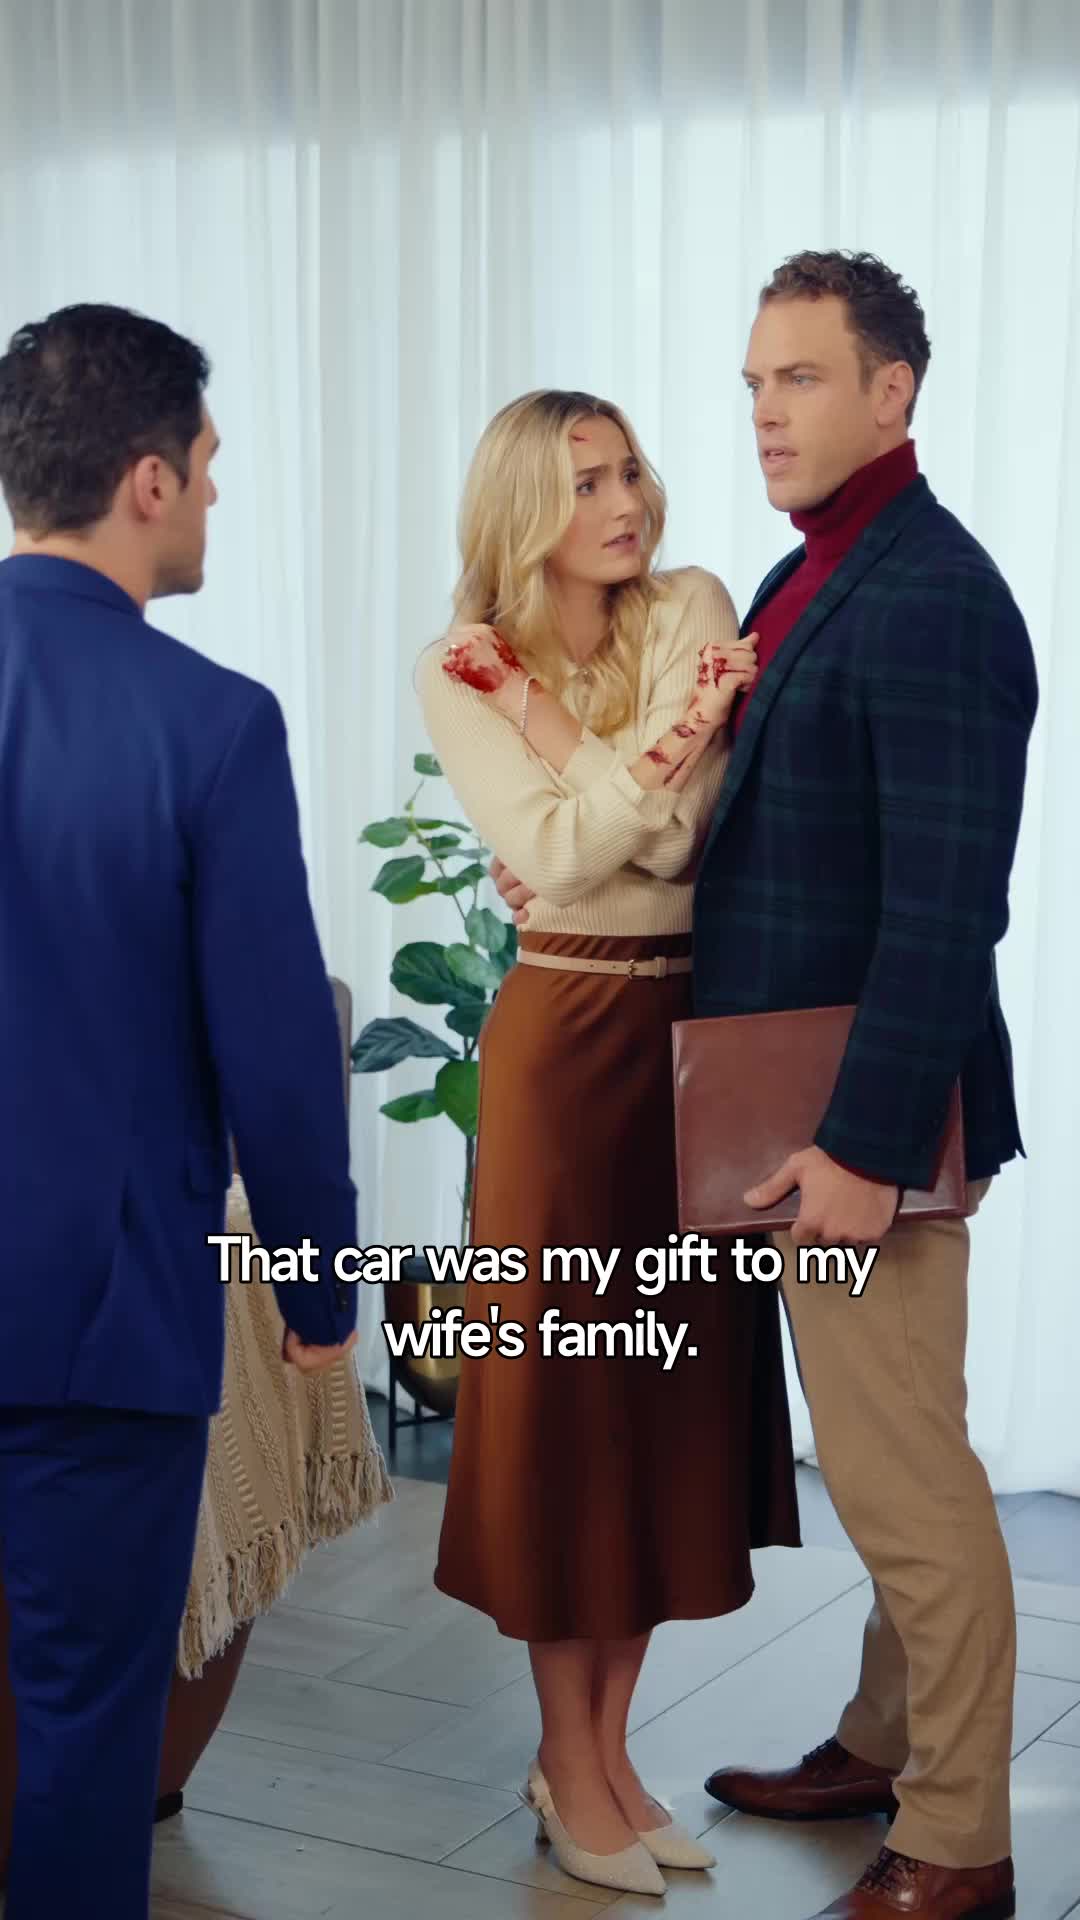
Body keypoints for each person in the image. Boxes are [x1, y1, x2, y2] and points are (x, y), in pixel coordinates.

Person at [417, 388, 800, 1901]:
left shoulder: (694, 601)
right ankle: (565, 1758)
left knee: (667, 1396)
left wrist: (568, 746)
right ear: (522, 506)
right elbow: (566, 854)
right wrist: (654, 737)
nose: (624, 500)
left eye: (629, 469)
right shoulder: (463, 663)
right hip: (560, 1048)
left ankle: (606, 1750)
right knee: (567, 1405)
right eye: (584, 482)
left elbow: (672, 841)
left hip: (690, 1035)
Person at [0, 303, 359, 1920]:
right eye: (207, 462)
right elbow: (275, 1053)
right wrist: (320, 1289)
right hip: (99, 1323)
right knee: (87, 1735)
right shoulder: (214, 723)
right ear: (147, 479)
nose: (216, 492)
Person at [692, 253, 1037, 1920]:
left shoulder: (935, 595)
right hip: (808, 1118)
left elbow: (947, 910)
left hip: (863, 1138)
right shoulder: (809, 570)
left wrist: (863, 1152)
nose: (766, 411)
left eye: (803, 378)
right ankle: (885, 1742)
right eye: (755, 381)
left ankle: (958, 1843)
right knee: (905, 1454)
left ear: (892, 393)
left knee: (907, 1494)